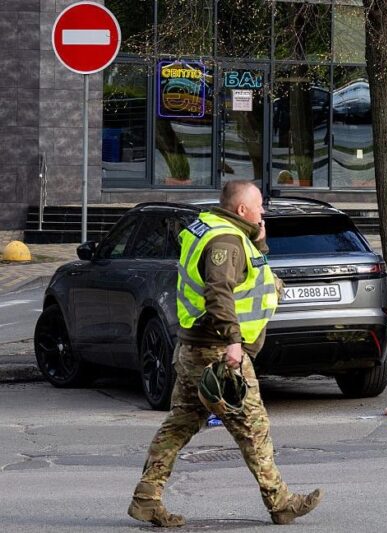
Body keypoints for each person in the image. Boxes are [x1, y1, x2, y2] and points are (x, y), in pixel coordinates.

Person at [127, 180, 322, 527]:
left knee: (178, 426)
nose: (263, 211)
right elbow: (219, 291)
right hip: (217, 351)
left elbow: (248, 274)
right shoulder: (226, 240)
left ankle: (146, 498)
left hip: (192, 348)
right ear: (241, 210)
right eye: (259, 205)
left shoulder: (214, 228)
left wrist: (259, 242)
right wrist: (234, 340)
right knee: (253, 427)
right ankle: (280, 503)